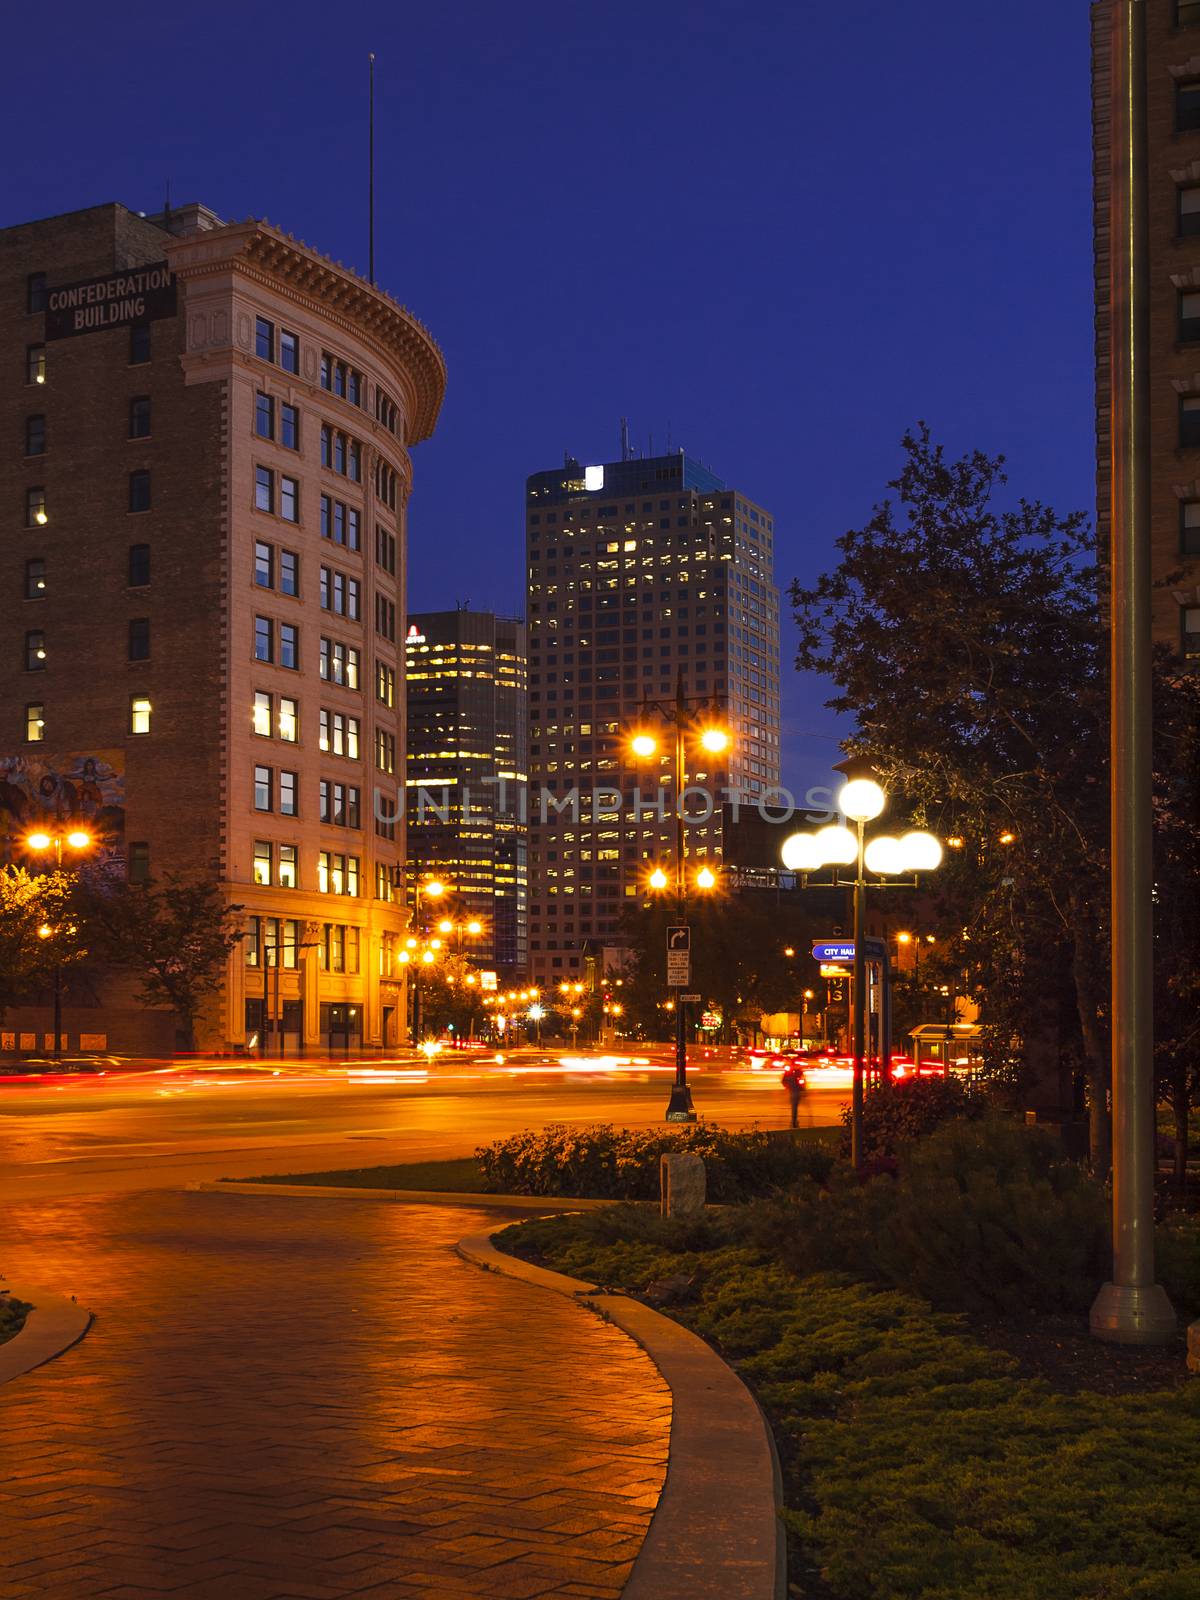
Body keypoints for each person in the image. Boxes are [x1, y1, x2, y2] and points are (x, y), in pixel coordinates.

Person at [781, 1059, 805, 1128]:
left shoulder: (789, 1072)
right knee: (795, 1107)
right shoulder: (798, 1071)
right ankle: (794, 1120)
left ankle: (794, 1120)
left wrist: (787, 1086)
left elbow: (783, 1081)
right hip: (796, 1091)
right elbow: (802, 1081)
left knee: (794, 1107)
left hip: (793, 1091)